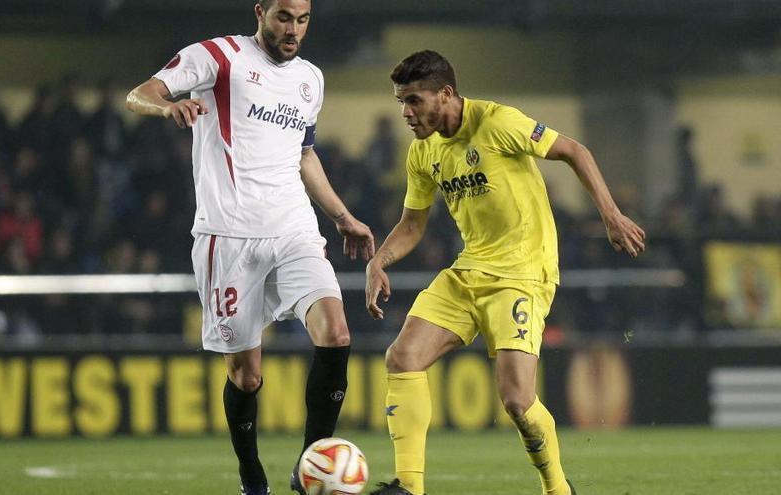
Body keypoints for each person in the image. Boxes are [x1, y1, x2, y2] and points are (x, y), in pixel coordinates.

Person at [365, 50, 646, 495]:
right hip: (468, 271)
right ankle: (409, 487)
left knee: (516, 401)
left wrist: (610, 215)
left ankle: (557, 489)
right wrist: (378, 261)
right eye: (401, 102)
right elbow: (413, 223)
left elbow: (575, 150)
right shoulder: (423, 153)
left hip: (523, 273)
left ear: (446, 93)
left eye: (414, 100)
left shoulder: (498, 122)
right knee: (402, 358)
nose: (406, 112)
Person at [125, 1, 375, 494]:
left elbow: (304, 155)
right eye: (284, 17)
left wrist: (343, 218)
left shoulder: (310, 79)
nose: (293, 30)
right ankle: (250, 475)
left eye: (302, 20)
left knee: (337, 334)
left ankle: (310, 466)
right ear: (260, 11)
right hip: (228, 236)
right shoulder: (218, 56)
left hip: (294, 228)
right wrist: (168, 105)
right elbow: (140, 93)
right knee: (246, 376)